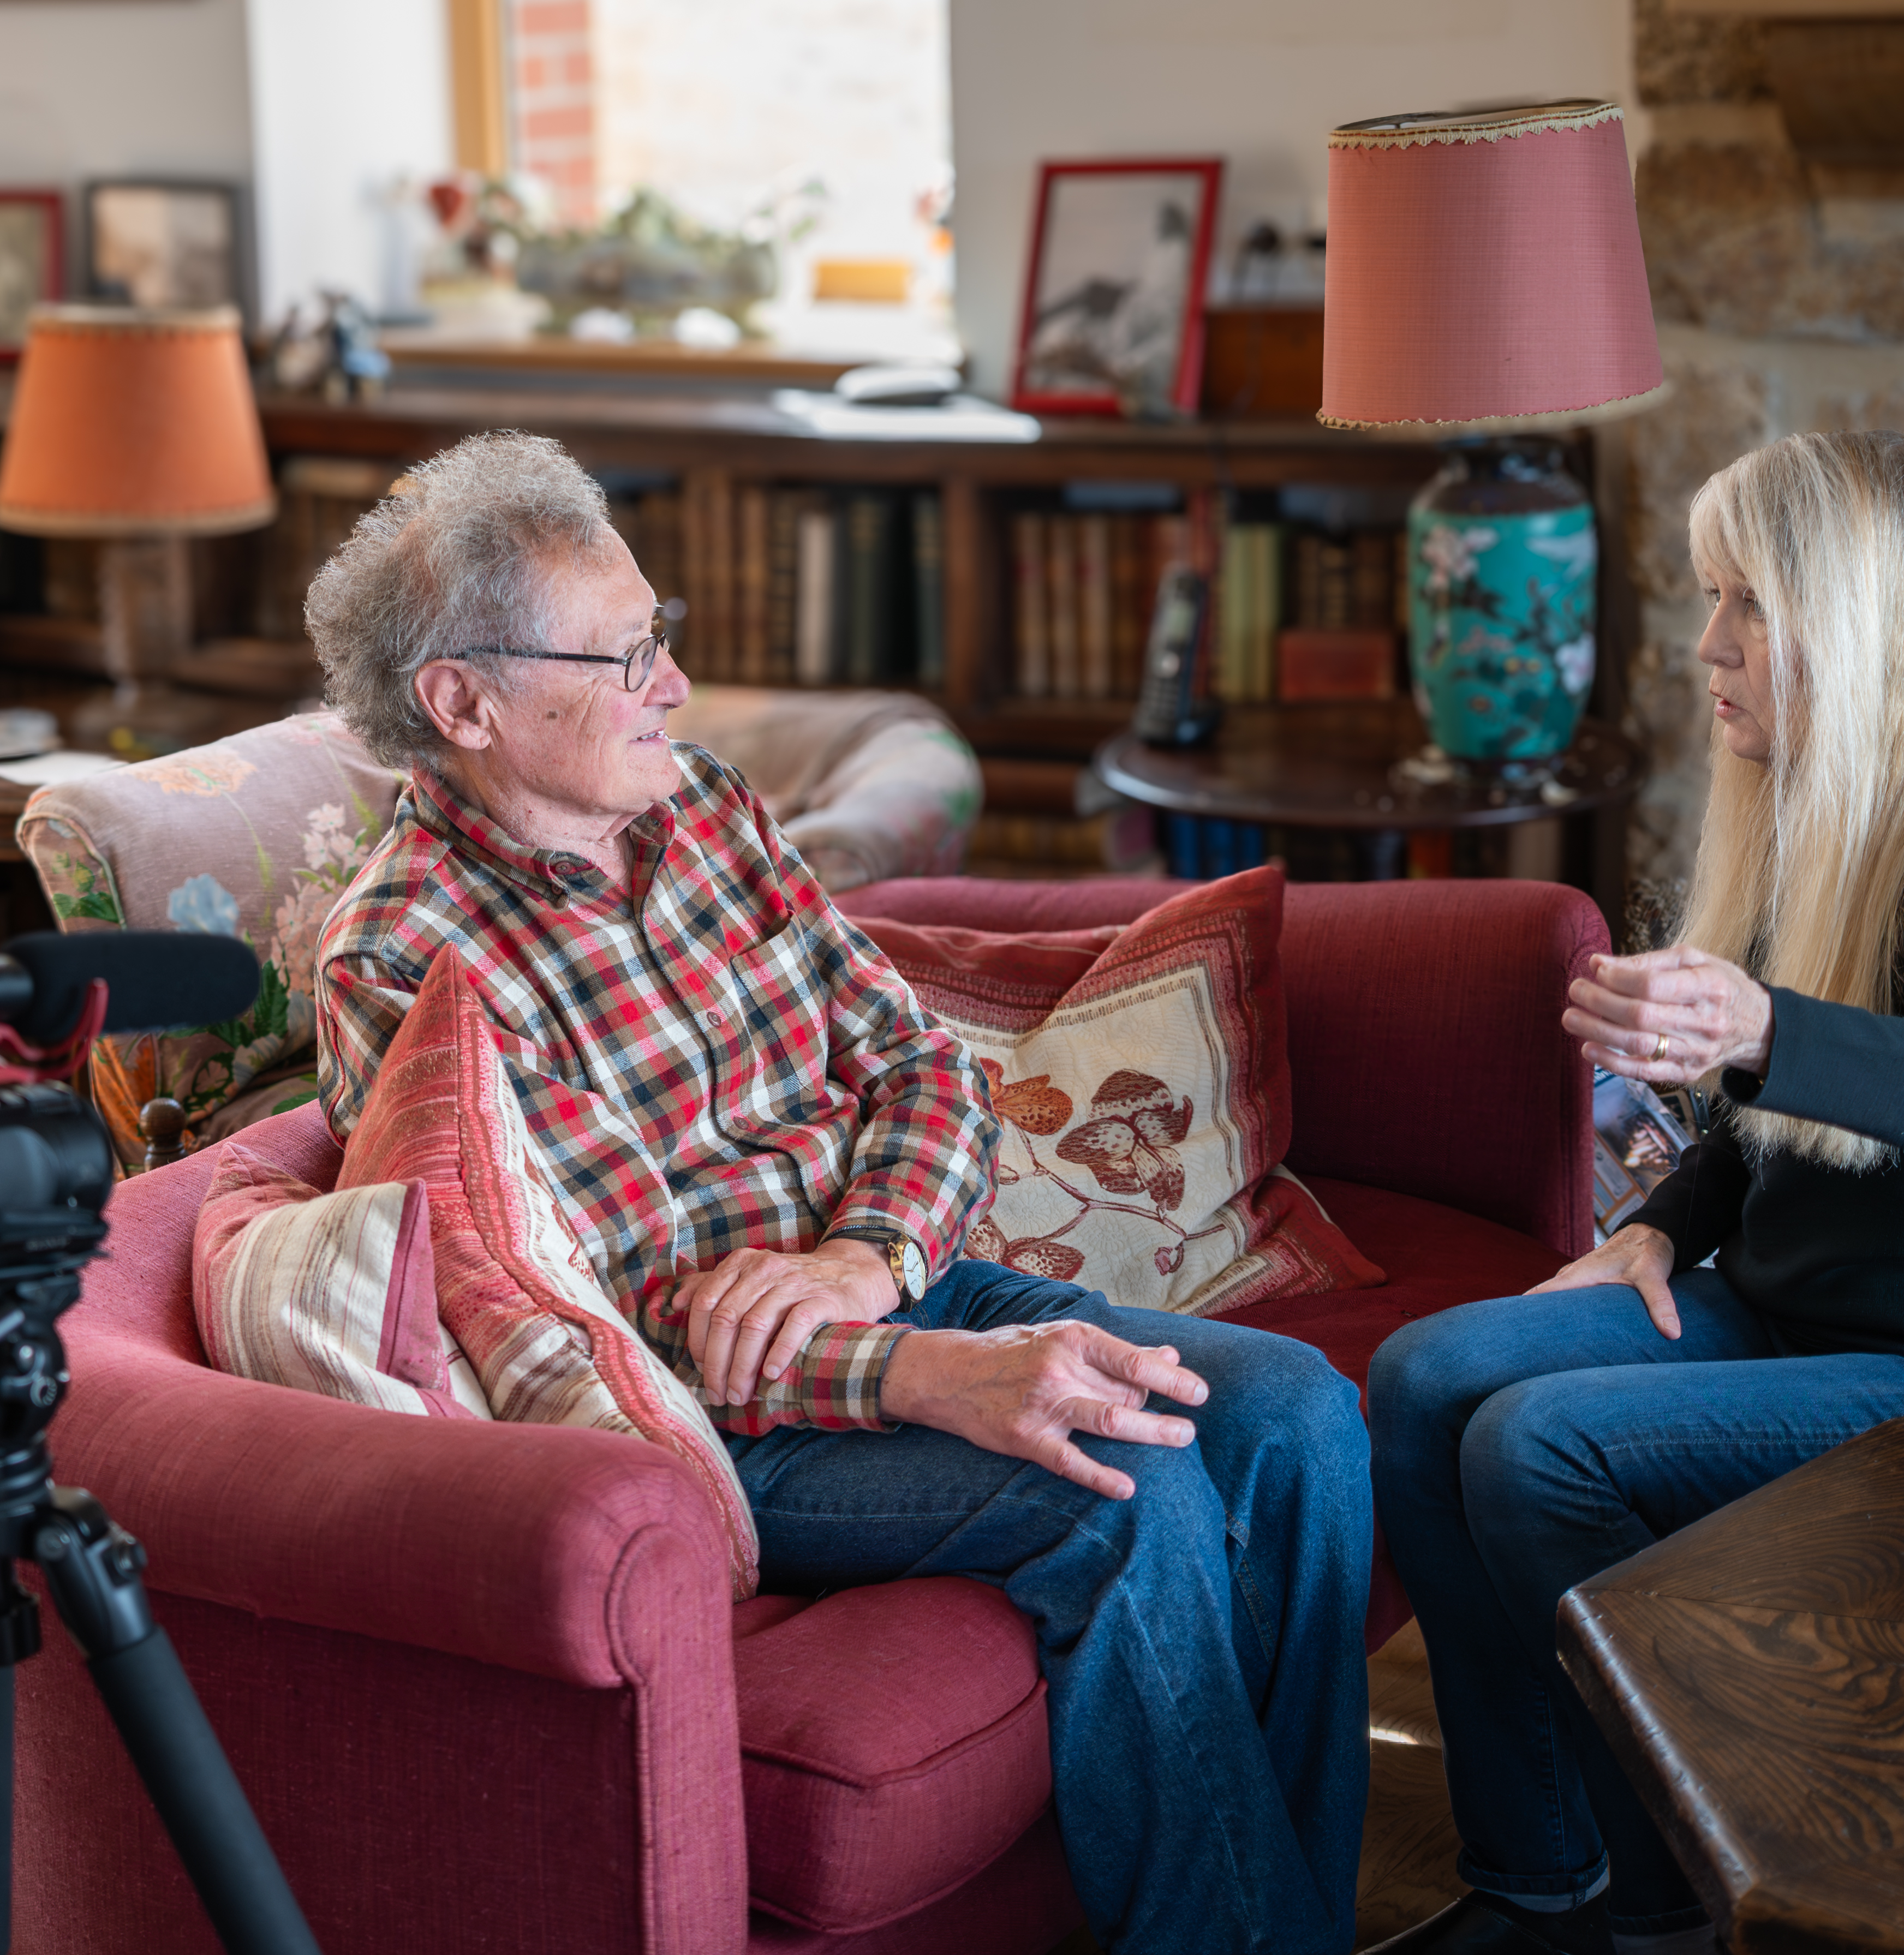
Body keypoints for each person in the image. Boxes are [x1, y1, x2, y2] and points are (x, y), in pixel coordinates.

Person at [303, 432, 1372, 1954]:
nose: (671, 682)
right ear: (462, 703)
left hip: (883, 1288)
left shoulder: (707, 810)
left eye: (658, 635)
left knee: (1307, 1419)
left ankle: (1296, 1922)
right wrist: (925, 1369)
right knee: (1137, 1498)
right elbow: (615, 1299)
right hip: (730, 1418)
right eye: (624, 657)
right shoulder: (411, 959)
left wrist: (875, 1258)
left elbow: (921, 1064)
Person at [1364, 429, 1904, 1955]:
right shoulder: (1832, 789)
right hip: (1789, 1311)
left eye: (1748, 600)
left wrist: (1752, 1025)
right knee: (1423, 1379)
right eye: (1711, 595)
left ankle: (1666, 1904)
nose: (1707, 644)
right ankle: (1537, 1880)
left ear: (1864, 614)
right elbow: (1776, 1111)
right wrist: (1654, 1227)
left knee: (1539, 1449)